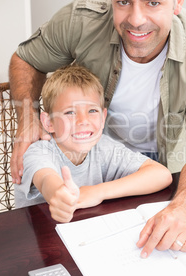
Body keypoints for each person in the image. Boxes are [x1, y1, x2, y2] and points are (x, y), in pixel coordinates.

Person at [9, 0, 186, 257]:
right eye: (122, 1)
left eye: (153, 2)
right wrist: (28, 118)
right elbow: (26, 58)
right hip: (91, 160)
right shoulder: (82, 20)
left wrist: (182, 208)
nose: (136, 19)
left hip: (156, 174)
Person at [14, 64, 172, 222]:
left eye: (92, 111)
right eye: (70, 112)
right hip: (39, 237)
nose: (83, 121)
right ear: (49, 122)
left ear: (103, 118)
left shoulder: (103, 146)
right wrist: (59, 193)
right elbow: (45, 178)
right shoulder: (38, 152)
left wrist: (97, 192)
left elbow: (161, 175)